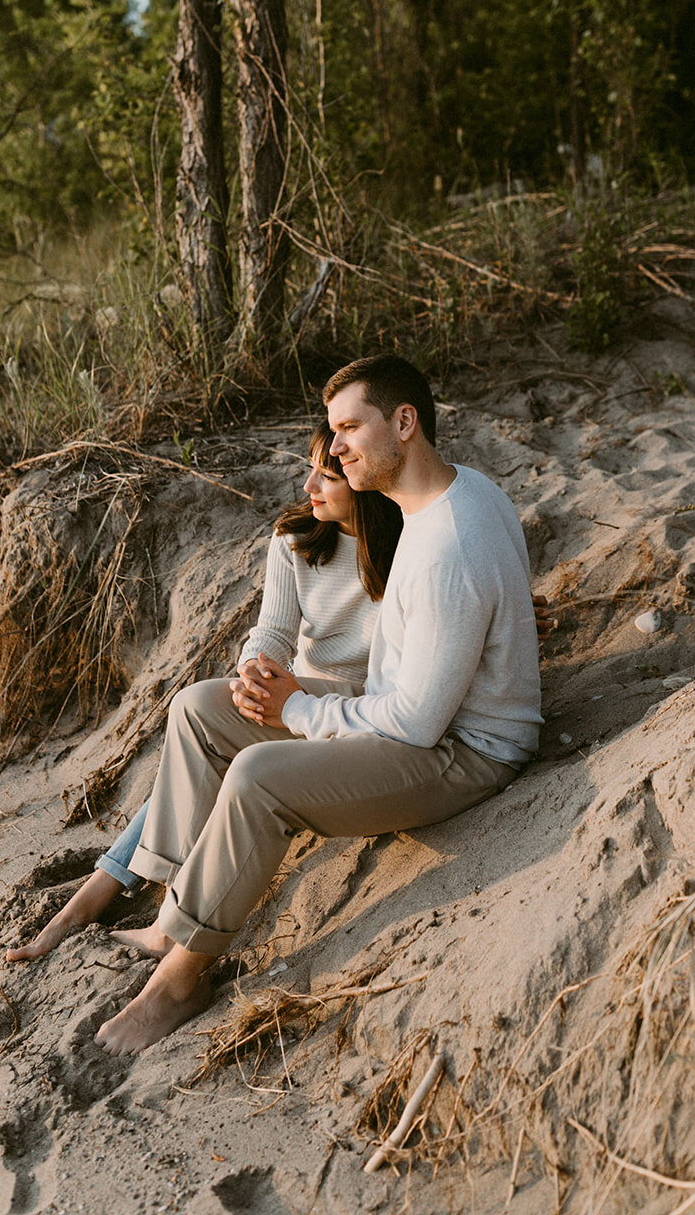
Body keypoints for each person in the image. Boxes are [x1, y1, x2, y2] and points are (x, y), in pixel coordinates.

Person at [93, 353, 543, 1057]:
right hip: (401, 712)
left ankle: (179, 982)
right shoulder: (448, 496)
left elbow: (417, 724)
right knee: (203, 706)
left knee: (258, 778)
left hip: (466, 751)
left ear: (404, 423)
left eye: (346, 429)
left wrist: (297, 708)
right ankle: (173, 910)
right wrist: (286, 696)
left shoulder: (449, 544)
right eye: (331, 433)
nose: (332, 449)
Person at [4, 419, 402, 963]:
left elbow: (454, 609)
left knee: (196, 767)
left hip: (359, 714)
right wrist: (255, 669)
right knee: (199, 738)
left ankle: (101, 896)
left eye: (326, 476)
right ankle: (128, 897)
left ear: (365, 481)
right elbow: (273, 630)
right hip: (297, 698)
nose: (308, 487)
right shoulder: (295, 539)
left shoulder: (413, 548)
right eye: (309, 470)